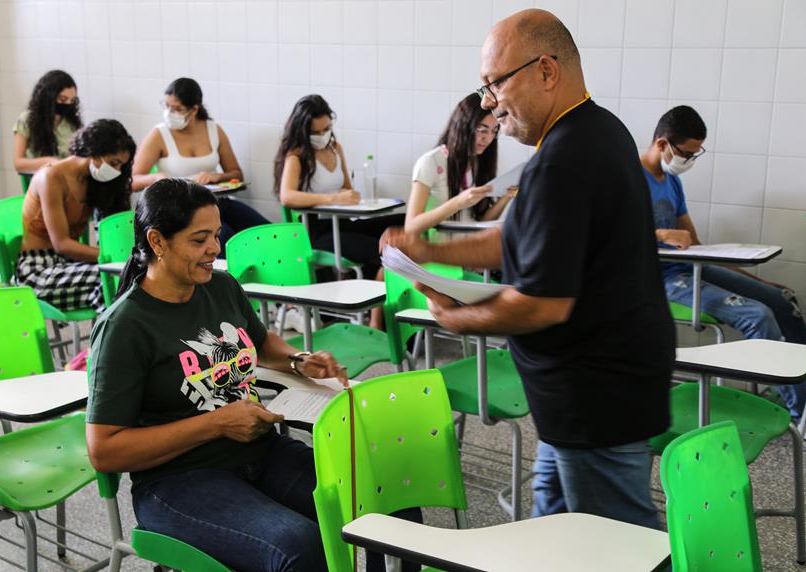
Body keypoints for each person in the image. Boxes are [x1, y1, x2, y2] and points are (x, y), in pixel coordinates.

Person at [381, 9, 673, 529]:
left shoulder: (563, 161)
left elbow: (542, 305)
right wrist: (429, 251)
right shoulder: (599, 129)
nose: (488, 103)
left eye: (495, 84)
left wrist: (454, 319)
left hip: (595, 394)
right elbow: (517, 240)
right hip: (581, 393)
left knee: (615, 542)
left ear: (546, 70)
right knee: (552, 525)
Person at [86, 179, 419, 572]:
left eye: (216, 235)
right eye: (199, 240)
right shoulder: (125, 327)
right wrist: (217, 424)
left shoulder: (220, 286)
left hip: (258, 451)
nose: (215, 248)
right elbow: (104, 450)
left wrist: (298, 360)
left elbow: (261, 343)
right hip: (177, 481)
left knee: (390, 499)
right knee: (300, 547)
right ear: (157, 241)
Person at [642, 105, 806, 419]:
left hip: (688, 267)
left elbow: (697, 246)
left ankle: (803, 392)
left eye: (695, 155)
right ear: (662, 143)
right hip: (653, 278)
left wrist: (759, 282)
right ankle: (802, 413)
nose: (689, 161)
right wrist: (661, 233)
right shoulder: (627, 177)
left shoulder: (671, 181)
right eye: (686, 154)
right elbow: (609, 237)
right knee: (758, 315)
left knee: (782, 299)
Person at [274, 95, 403, 328]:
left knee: (402, 224)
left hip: (341, 223)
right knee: (385, 251)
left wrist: (350, 196)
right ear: (303, 131)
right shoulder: (296, 157)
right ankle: (377, 321)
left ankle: (388, 308)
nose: (322, 135)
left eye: (326, 129)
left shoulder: (335, 148)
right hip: (315, 233)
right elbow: (287, 196)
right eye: (316, 132)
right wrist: (333, 198)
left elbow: (346, 187)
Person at [132, 78, 269, 257]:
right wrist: (157, 177)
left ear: (194, 109)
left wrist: (217, 177)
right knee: (224, 238)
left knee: (266, 232)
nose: (169, 113)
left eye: (177, 109)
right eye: (166, 106)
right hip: (181, 211)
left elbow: (236, 174)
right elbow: (133, 181)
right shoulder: (159, 135)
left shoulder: (214, 130)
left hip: (217, 203)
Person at [16, 119, 134, 313]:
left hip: (71, 265)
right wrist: (113, 258)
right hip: (38, 270)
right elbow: (62, 244)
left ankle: (117, 330)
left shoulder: (92, 181)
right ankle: (110, 332)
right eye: (114, 163)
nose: (117, 171)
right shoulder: (51, 177)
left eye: (121, 166)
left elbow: (107, 230)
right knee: (117, 277)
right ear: (94, 151)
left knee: (131, 276)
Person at [405, 93, 513, 236]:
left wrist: (507, 195)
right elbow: (411, 227)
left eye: (494, 131)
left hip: (470, 246)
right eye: (482, 130)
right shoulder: (431, 162)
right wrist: (458, 203)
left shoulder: (478, 161)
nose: (488, 138)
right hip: (439, 248)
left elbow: (480, 223)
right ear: (463, 126)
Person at [14, 70, 83, 173]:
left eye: (72, 100)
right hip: (40, 178)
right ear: (48, 97)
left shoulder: (73, 123)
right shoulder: (27, 120)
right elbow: (18, 164)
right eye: (63, 99)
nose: (68, 104)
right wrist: (49, 161)